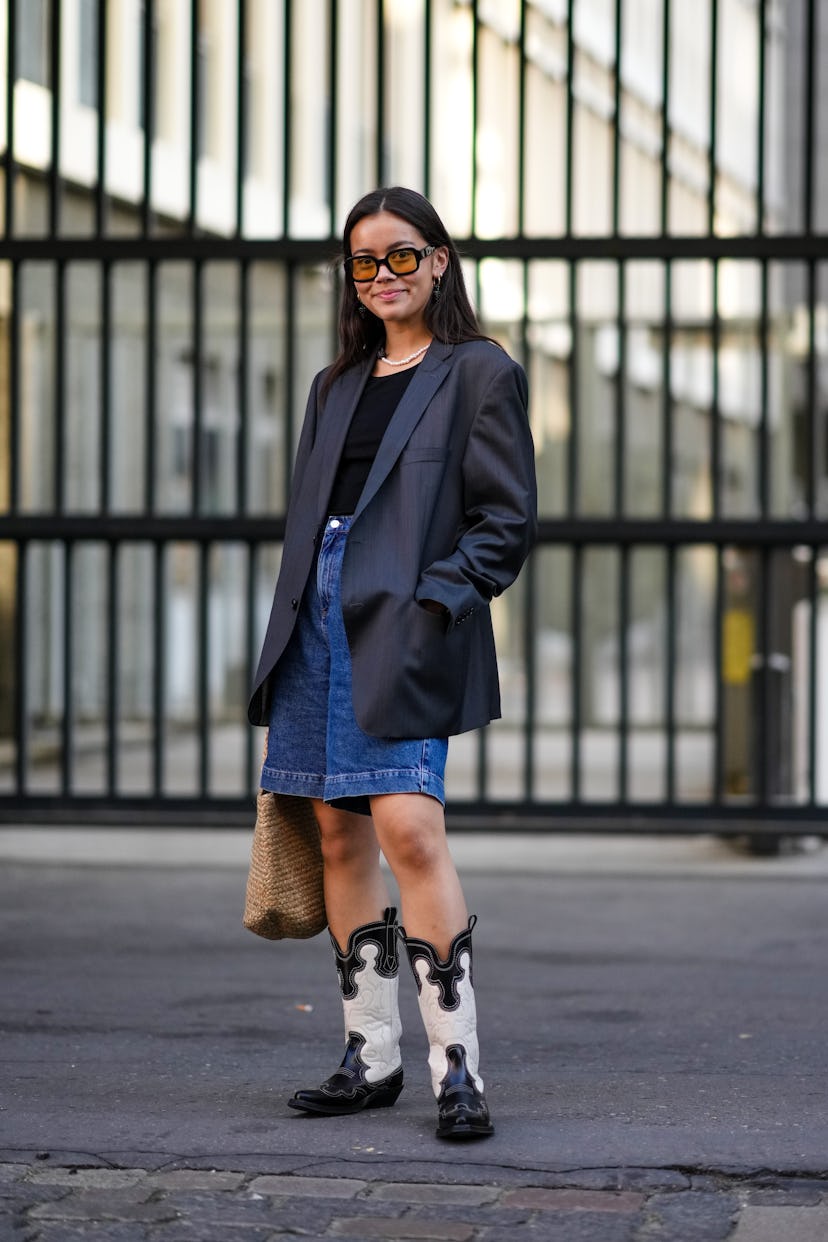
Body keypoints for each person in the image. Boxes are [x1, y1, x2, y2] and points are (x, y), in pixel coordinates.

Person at [248, 186, 537, 1140]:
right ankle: (368, 1057)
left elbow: (506, 521)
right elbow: (311, 518)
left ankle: (459, 1070)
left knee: (409, 829)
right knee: (337, 834)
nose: (384, 277)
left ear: (440, 261)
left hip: (407, 618)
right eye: (365, 263)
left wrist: (437, 600)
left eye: (401, 257)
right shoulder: (333, 387)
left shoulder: (479, 373)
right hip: (317, 618)